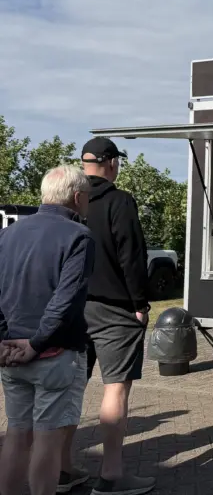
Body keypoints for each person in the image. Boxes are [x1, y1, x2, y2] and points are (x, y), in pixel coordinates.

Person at [0, 165, 94, 495]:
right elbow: (65, 302)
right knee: (47, 439)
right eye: (88, 198)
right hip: (54, 353)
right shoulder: (78, 237)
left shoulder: (8, 234)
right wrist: (37, 343)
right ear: (78, 197)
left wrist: (4, 338)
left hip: (12, 352)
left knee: (16, 432)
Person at [81, 137, 155, 495]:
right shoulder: (119, 201)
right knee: (116, 386)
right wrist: (140, 305)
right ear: (110, 163)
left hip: (71, 306)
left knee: (69, 387)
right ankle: (111, 475)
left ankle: (62, 468)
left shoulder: (70, 199)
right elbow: (132, 257)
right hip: (113, 308)